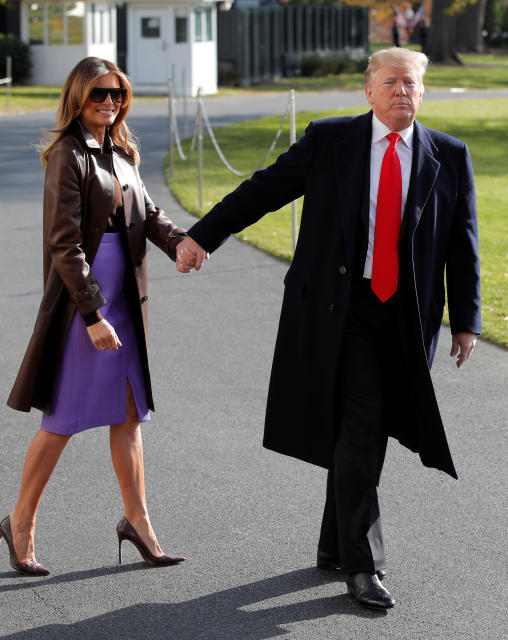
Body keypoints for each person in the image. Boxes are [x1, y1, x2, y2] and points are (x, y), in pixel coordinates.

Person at [175, 47, 481, 610]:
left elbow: (463, 246)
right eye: (390, 83)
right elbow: (264, 190)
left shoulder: (450, 156)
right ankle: (364, 565)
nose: (401, 93)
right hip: (343, 309)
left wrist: (465, 321)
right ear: (368, 90)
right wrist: (201, 236)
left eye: (411, 84)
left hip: (408, 319)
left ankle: (333, 544)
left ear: (423, 92)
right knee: (362, 422)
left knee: (371, 426)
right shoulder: (330, 141)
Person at [1, 57, 187, 575]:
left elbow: (149, 215)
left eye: (118, 95)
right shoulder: (67, 154)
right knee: (62, 419)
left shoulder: (122, 151)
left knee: (129, 416)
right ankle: (20, 523)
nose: (110, 104)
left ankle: (139, 523)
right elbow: (64, 245)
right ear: (78, 98)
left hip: (125, 299)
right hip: (86, 303)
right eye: (99, 95)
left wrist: (181, 245)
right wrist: (92, 314)